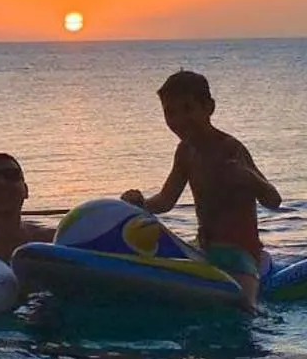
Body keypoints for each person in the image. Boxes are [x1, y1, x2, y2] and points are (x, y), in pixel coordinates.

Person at [121, 69, 282, 310]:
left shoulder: (230, 149)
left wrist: (248, 178)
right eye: (170, 112)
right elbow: (166, 201)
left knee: (244, 308)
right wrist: (138, 205)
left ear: (209, 108)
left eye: (188, 109)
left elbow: (274, 200)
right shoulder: (185, 152)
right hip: (204, 249)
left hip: (241, 253)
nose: (179, 120)